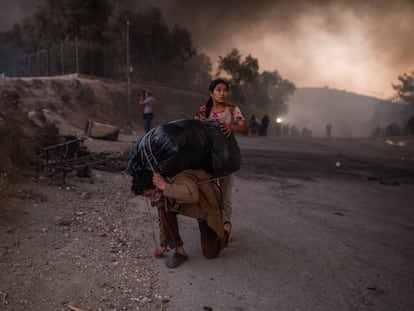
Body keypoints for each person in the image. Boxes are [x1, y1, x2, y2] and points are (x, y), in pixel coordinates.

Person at [137, 169, 230, 268]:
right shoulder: (158, 192)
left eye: (149, 195)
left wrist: (165, 186)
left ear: (156, 185)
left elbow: (193, 196)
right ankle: (179, 251)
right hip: (186, 206)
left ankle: (226, 229)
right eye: (145, 196)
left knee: (210, 253)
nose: (149, 198)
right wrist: (163, 244)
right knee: (164, 209)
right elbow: (162, 218)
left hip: (205, 209)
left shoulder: (181, 178)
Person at [194, 78, 248, 236]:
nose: (223, 93)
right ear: (211, 93)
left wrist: (232, 126)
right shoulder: (203, 111)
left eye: (225, 90)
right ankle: (210, 222)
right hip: (207, 159)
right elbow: (195, 130)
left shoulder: (232, 110)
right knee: (207, 191)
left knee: (226, 194)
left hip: (226, 159)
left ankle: (226, 225)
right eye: (219, 90)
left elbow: (244, 127)